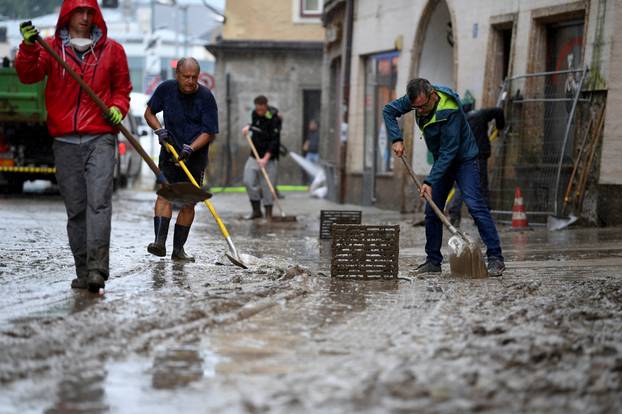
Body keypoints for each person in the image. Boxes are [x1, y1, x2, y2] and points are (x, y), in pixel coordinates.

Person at [15, 0, 132, 292]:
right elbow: (27, 75)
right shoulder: (50, 48)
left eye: (89, 12)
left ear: (97, 16)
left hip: (100, 137)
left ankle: (97, 269)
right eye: (78, 12)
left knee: (99, 203)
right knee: (76, 209)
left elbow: (122, 90)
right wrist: (28, 48)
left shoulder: (113, 51)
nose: (84, 17)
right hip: (64, 140)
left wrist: (118, 107)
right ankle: (83, 271)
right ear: (66, 16)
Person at [383, 78, 505, 276]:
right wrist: (396, 138)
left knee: (475, 205)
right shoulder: (416, 99)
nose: (420, 111)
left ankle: (495, 258)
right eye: (416, 108)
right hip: (443, 160)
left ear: (432, 95)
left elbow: (450, 151)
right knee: (432, 210)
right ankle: (433, 261)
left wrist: (430, 181)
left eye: (423, 106)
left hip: (464, 159)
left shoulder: (450, 110)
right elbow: (388, 110)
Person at [144, 57, 218, 262]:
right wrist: (159, 130)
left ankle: (179, 250)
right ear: (177, 74)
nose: (190, 81)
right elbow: (149, 113)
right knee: (164, 196)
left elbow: (209, 132)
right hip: (169, 153)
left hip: (195, 157)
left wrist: (191, 148)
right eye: (186, 77)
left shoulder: (206, 97)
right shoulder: (166, 89)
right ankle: (159, 243)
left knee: (188, 203)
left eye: (194, 77)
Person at [446, 105, 505, 227]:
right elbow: (499, 110)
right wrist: (500, 127)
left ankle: (454, 216)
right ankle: (482, 218)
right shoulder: (481, 114)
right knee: (481, 186)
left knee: (460, 187)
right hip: (478, 157)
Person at [242, 95, 281, 220]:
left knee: (267, 186)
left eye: (261, 110)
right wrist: (248, 127)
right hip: (254, 155)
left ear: (266, 106)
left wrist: (265, 158)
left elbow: (275, 141)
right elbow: (254, 125)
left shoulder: (274, 117)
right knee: (248, 181)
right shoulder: (255, 113)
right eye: (257, 109)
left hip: (269, 158)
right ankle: (256, 211)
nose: (259, 112)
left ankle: (268, 214)